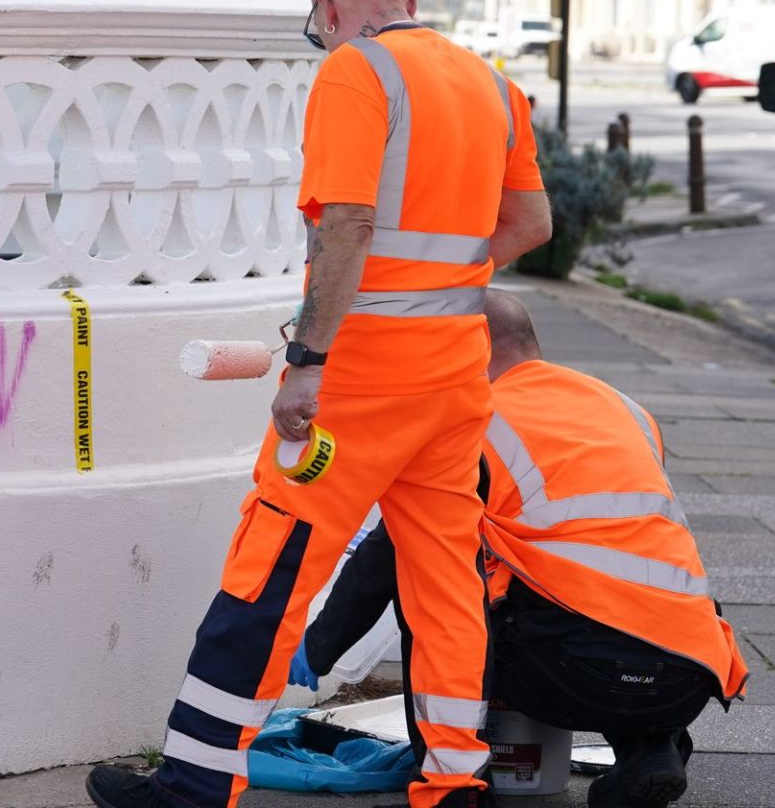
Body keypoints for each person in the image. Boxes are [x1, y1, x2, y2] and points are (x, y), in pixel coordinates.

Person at [84, 0, 553, 807]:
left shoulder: (355, 71)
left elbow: (348, 224)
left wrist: (307, 360)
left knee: (273, 561)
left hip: (361, 377)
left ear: (330, 9)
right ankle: (455, 779)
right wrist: (439, 284)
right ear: (408, 0)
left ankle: (194, 783)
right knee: (445, 579)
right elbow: (530, 222)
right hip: (455, 374)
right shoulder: (492, 85)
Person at [290, 290, 750, 808]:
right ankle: (651, 751)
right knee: (623, 596)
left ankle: (453, 774)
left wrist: (321, 644)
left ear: (472, 346)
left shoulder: (469, 422)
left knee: (427, 572)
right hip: (687, 675)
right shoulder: (626, 408)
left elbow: (389, 549)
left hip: (566, 672)